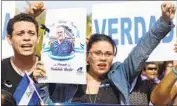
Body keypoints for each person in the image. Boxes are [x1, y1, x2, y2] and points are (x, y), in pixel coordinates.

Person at [33, 2, 176, 105]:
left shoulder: (121, 75)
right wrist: (41, 80)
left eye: (108, 54)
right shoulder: (67, 79)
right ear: (87, 56)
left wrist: (164, 21)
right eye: (97, 53)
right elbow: (45, 101)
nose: (103, 58)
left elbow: (143, 48)